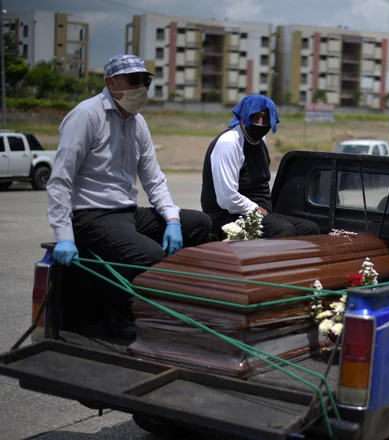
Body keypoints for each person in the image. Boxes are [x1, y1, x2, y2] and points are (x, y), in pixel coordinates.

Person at [47, 54, 212, 339]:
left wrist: (172, 219)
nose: (142, 88)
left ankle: (174, 301)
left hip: (127, 212)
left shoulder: (137, 123)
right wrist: (63, 234)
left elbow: (154, 179)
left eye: (145, 81)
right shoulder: (87, 116)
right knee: (148, 254)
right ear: (110, 82)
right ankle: (116, 311)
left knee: (200, 223)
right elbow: (60, 179)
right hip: (91, 215)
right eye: (134, 80)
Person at [201, 94, 320, 239]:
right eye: (255, 117)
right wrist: (257, 209)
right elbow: (227, 198)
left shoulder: (260, 140)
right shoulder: (229, 143)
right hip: (226, 214)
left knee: (309, 228)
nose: (260, 123)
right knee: (283, 230)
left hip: (258, 213)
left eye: (266, 118)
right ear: (243, 117)